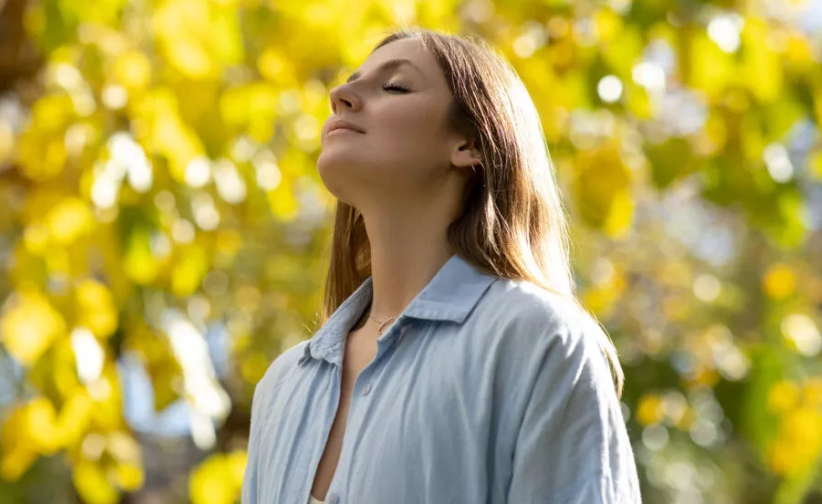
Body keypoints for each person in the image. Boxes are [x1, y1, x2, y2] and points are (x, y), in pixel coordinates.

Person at [240, 28, 642, 504]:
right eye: (350, 83)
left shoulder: (536, 339)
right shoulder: (281, 386)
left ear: (469, 143)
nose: (339, 96)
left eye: (395, 86)